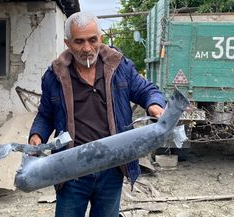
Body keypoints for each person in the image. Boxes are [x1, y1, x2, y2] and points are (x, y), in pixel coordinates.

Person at [28, 12, 165, 217]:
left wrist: (154, 105)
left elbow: (147, 90)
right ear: (67, 43)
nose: (87, 48)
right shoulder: (54, 76)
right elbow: (45, 115)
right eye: (79, 42)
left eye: (93, 40)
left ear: (101, 38)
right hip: (72, 169)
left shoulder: (119, 67)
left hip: (111, 167)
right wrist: (36, 135)